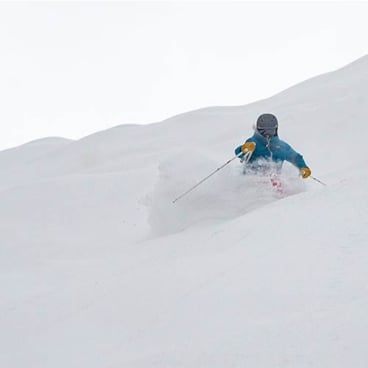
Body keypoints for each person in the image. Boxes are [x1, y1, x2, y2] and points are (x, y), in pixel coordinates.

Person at [234, 113, 311, 178]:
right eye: (263, 131)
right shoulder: (253, 142)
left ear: (276, 130)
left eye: (270, 131)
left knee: (282, 185)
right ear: (258, 130)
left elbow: (295, 157)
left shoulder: (281, 147)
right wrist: (244, 148)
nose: (267, 134)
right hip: (252, 180)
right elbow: (238, 153)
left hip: (273, 182)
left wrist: (303, 167)